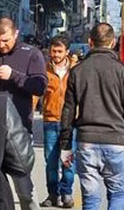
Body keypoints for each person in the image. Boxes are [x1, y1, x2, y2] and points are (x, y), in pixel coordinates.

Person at [59, 23, 124, 210]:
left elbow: (68, 112)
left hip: (86, 143)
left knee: (90, 200)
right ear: (113, 42)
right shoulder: (123, 70)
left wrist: (65, 146)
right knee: (118, 194)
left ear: (90, 42)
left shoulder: (77, 71)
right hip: (116, 142)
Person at [0, 18, 46, 210]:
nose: (2, 45)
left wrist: (14, 75)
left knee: (23, 186)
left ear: (16, 34)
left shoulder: (31, 54)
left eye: (6, 40)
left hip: (18, 129)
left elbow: (39, 87)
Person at [41, 37, 77, 208]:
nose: (56, 54)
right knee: (50, 162)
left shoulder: (76, 70)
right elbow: (36, 93)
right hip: (50, 121)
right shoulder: (43, 69)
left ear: (67, 52)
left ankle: (67, 193)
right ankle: (52, 194)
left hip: (69, 124)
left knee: (68, 161)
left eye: (59, 51)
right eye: (53, 51)